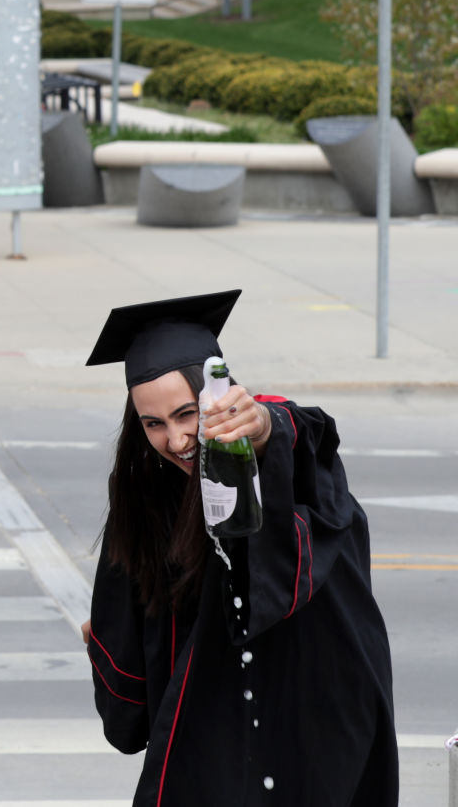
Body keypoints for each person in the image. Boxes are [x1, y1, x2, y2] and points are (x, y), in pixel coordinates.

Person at [81, 290, 397, 806]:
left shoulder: (273, 452)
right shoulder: (143, 501)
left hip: (308, 716)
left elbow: (299, 437)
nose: (178, 440)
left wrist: (264, 429)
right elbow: (127, 681)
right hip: (203, 729)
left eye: (188, 414)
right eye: (153, 424)